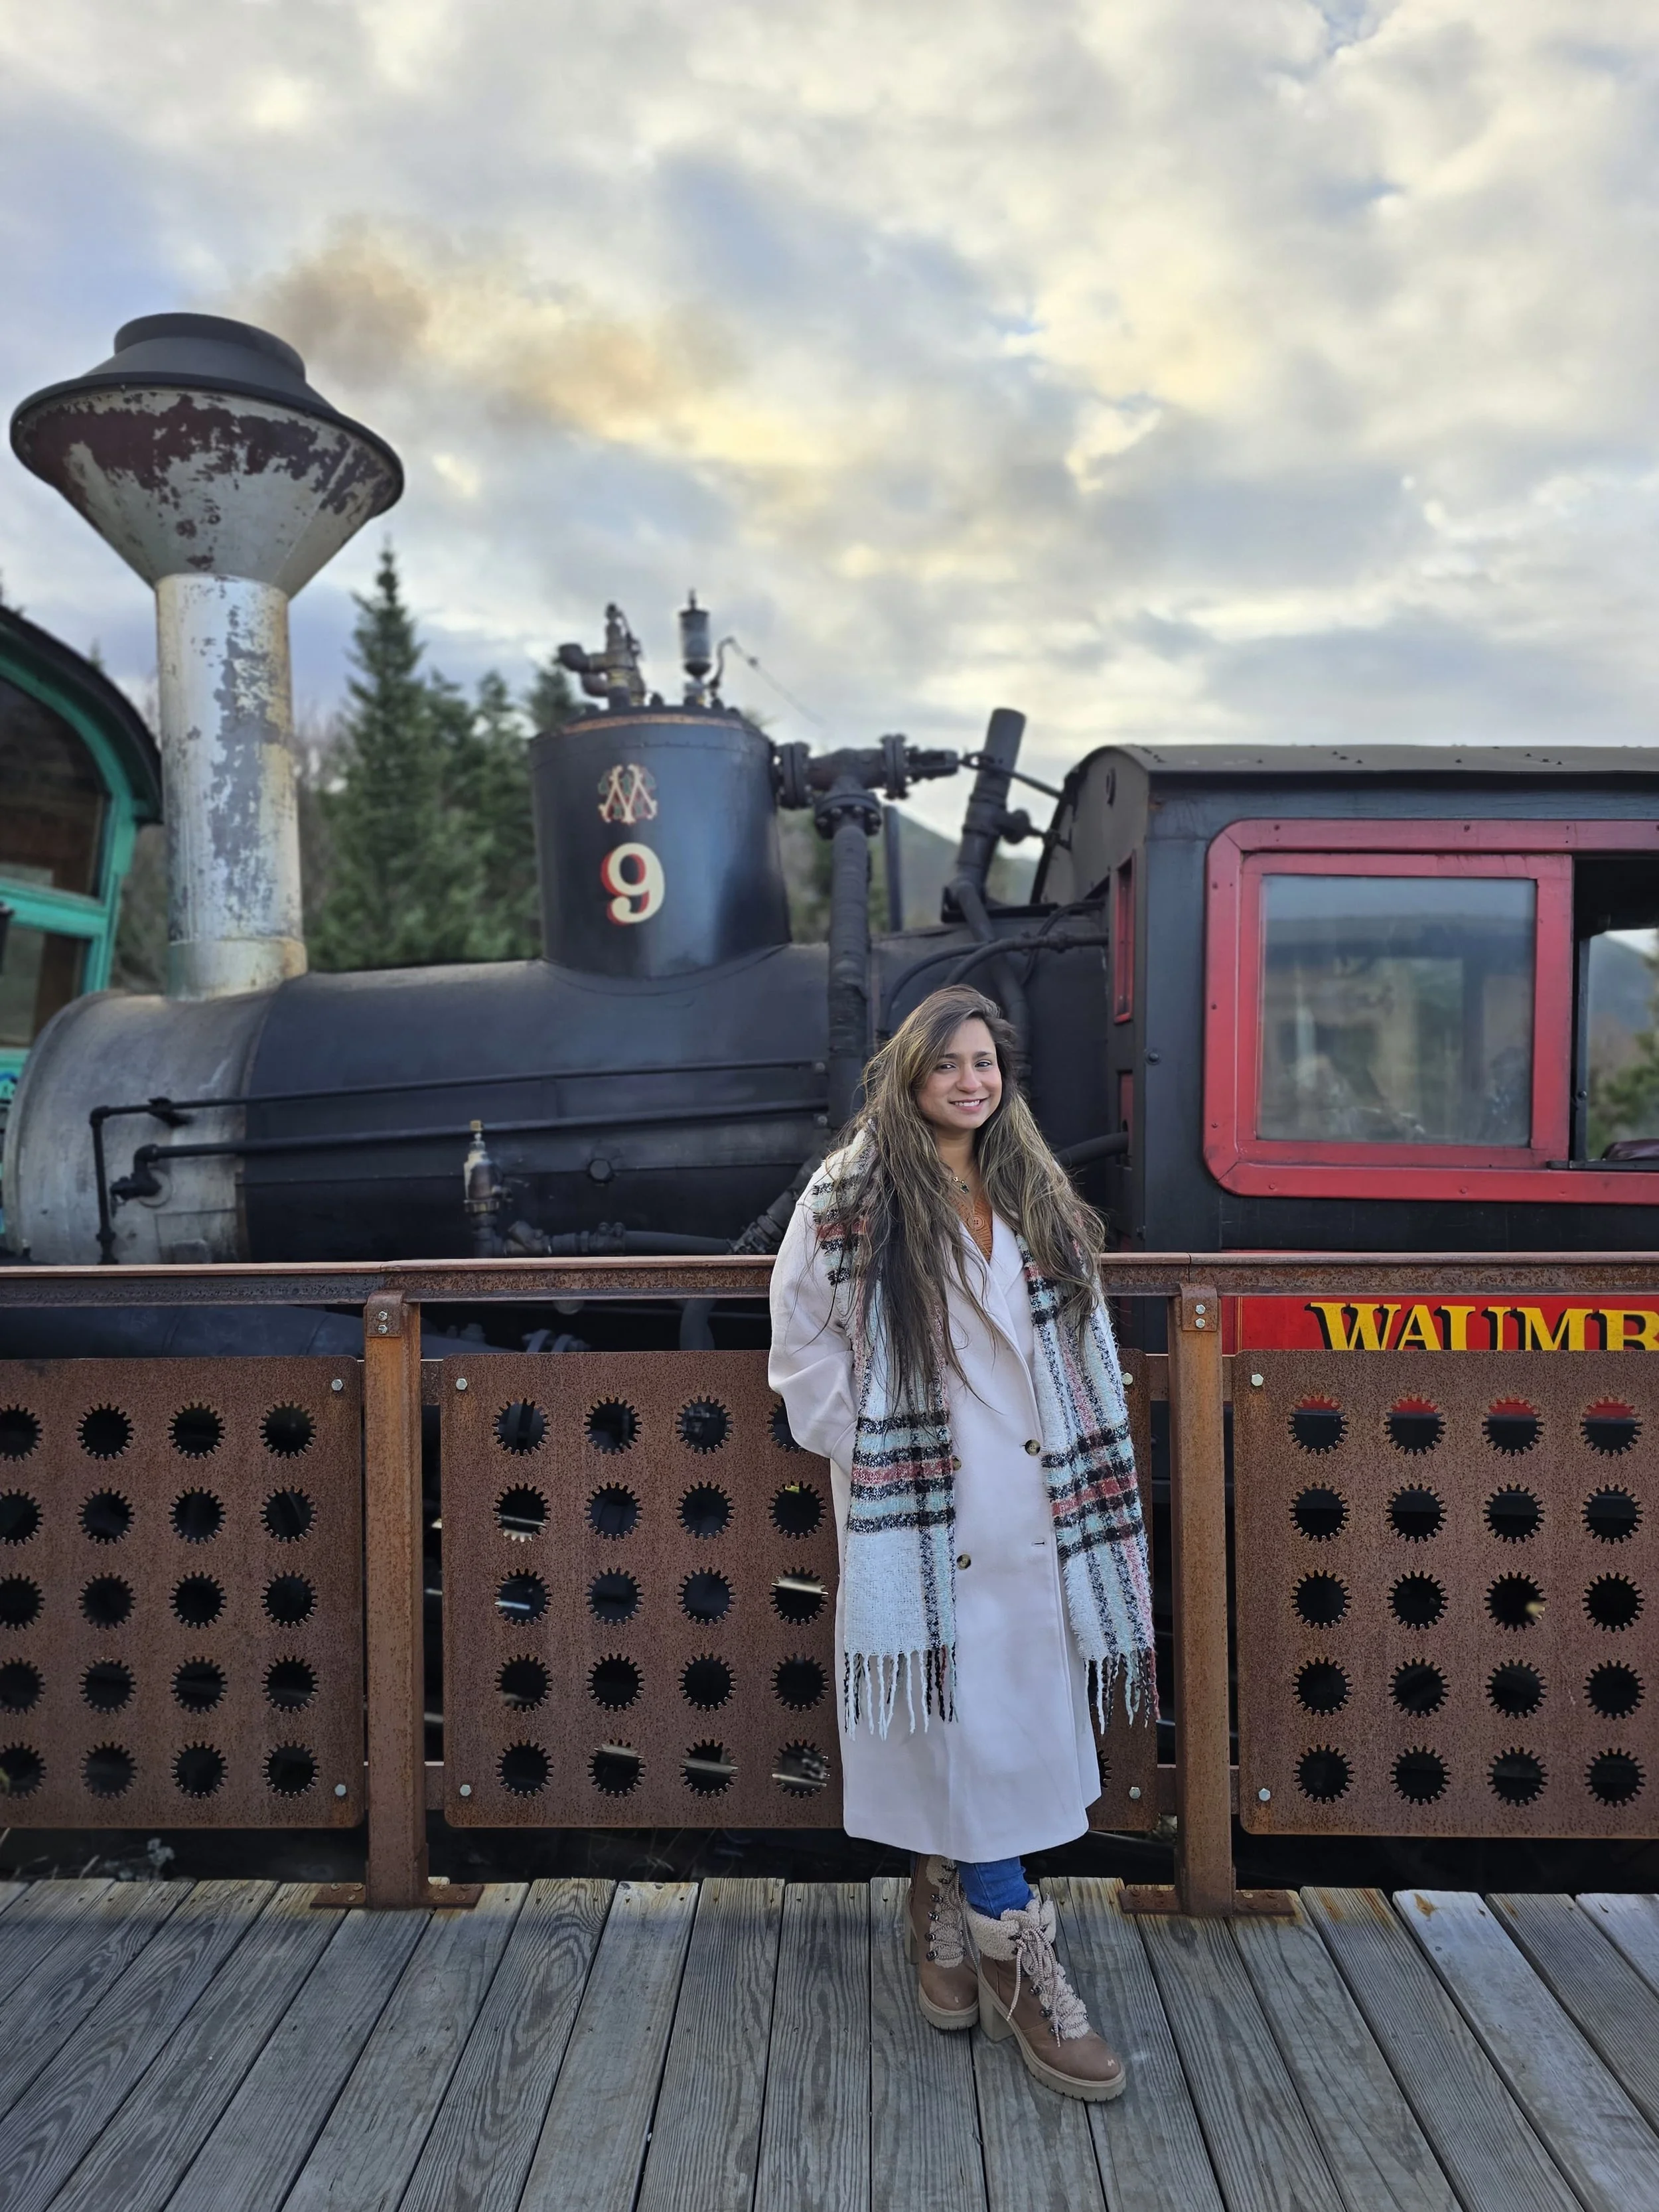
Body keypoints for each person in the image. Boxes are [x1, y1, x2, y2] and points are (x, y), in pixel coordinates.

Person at [768, 984, 1155, 2102]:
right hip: (931, 1514)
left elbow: (1073, 1338)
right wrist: (881, 1447)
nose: (970, 1082)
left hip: (1038, 1511)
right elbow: (801, 1344)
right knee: (969, 1726)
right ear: (911, 1075)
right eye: (948, 1065)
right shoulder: (849, 1193)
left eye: (984, 1062)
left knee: (991, 1733)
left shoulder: (1034, 1186)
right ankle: (1013, 1950)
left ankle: (940, 1892)